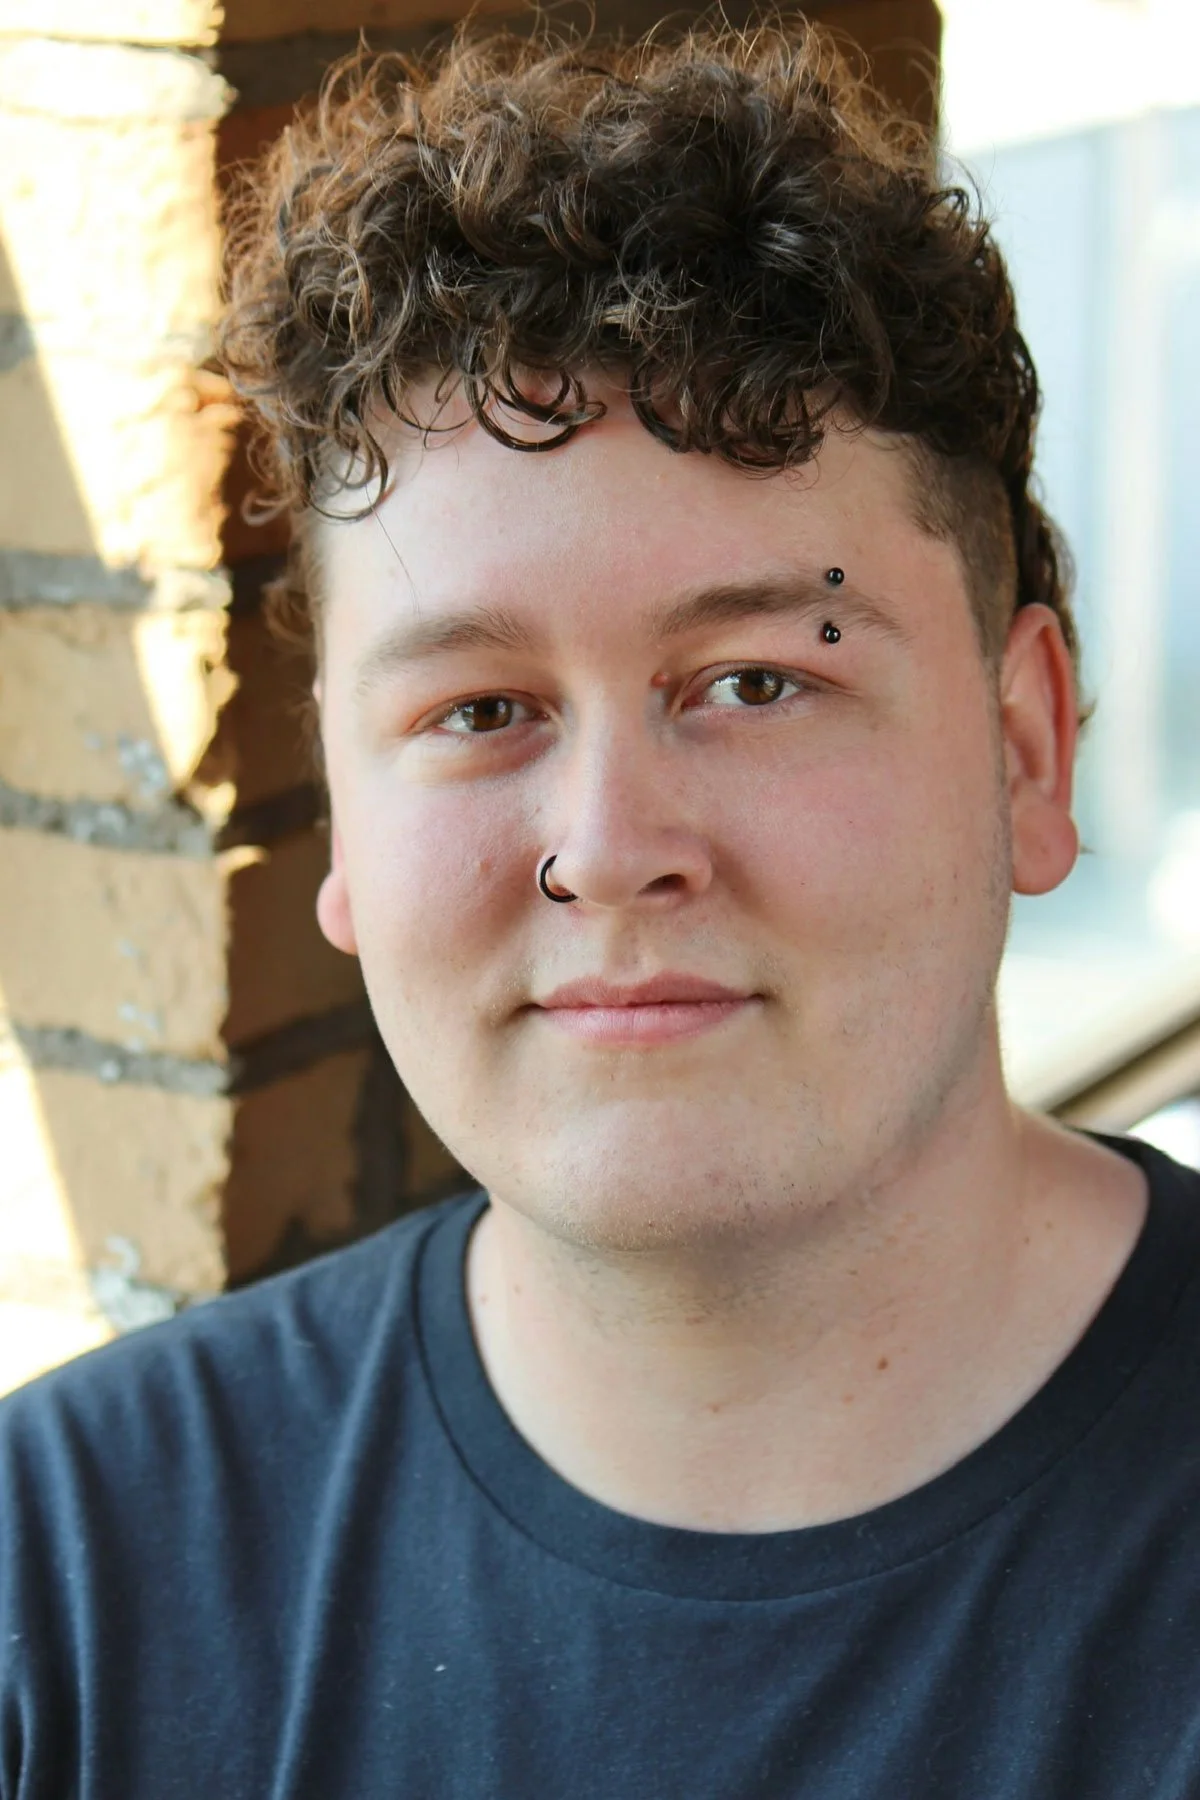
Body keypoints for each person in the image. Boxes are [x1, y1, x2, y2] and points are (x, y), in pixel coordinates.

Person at [3, 18, 1198, 1798]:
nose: (608, 847)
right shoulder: (61, 1587)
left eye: (756, 682)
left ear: (1025, 749)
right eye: (479, 710)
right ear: (343, 822)